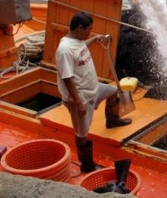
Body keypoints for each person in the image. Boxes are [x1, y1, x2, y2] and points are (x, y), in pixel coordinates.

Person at [55, 11, 131, 173]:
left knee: (113, 91)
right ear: (79, 28)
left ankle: (112, 120)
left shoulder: (78, 41)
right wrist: (78, 103)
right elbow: (67, 77)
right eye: (88, 29)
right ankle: (87, 164)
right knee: (81, 133)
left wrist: (94, 39)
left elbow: (81, 48)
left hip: (93, 88)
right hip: (80, 96)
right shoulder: (64, 50)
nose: (90, 32)